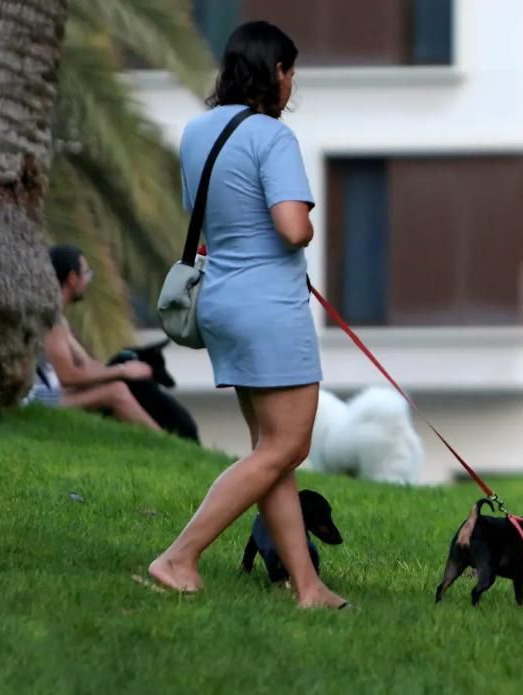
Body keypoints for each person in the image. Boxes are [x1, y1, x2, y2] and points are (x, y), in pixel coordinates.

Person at [148, 21, 348, 610]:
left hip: (222, 301)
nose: (292, 85)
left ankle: (307, 588)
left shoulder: (196, 131)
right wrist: (308, 224)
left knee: (271, 451)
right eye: (291, 72)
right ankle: (179, 557)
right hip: (269, 308)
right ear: (276, 73)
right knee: (287, 446)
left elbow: (211, 217)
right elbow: (290, 227)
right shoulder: (271, 136)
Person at [27, 244, 161, 431]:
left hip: (50, 393)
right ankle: (163, 441)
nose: (89, 280)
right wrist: (123, 370)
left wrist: (117, 371)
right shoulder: (51, 320)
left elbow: (87, 364)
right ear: (73, 279)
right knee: (117, 392)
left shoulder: (57, 318)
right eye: (87, 273)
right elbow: (67, 376)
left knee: (115, 386)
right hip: (38, 400)